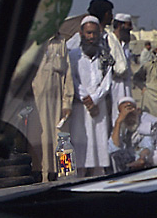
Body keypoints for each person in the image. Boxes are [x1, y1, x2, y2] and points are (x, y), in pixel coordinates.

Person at [68, 15, 114, 177]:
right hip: (80, 108)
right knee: (81, 147)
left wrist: (95, 99)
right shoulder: (73, 56)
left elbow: (107, 81)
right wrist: (86, 98)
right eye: (88, 33)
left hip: (98, 108)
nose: (91, 37)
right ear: (81, 33)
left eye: (94, 33)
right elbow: (72, 80)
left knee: (99, 147)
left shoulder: (105, 56)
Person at [26, 32, 74, 182]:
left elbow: (68, 75)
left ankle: (66, 176)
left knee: (62, 141)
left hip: (58, 104)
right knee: (39, 141)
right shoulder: (32, 41)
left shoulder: (60, 42)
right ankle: (43, 177)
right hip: (35, 103)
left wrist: (67, 103)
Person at [108, 96, 157, 173]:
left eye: (132, 113)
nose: (130, 117)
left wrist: (142, 158)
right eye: (126, 114)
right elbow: (114, 148)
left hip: (144, 165)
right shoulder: (119, 125)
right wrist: (118, 122)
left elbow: (148, 145)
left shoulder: (145, 123)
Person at [107, 13, 134, 126]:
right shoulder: (109, 42)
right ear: (120, 25)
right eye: (128, 27)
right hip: (114, 87)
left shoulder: (125, 45)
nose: (130, 30)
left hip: (126, 86)